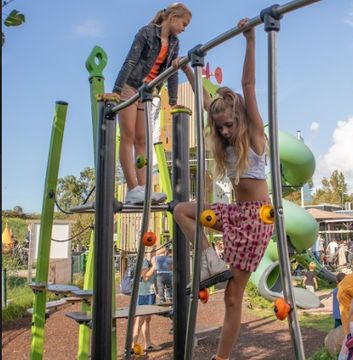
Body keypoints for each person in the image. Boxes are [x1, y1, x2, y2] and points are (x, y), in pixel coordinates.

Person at [173, 19, 274, 360]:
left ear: (241, 118)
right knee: (182, 210)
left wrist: (249, 38)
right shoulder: (225, 142)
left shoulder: (255, 136)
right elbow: (206, 101)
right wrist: (188, 69)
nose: (226, 130)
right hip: (234, 214)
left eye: (230, 123)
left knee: (233, 297)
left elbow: (248, 83)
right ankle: (209, 261)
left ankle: (221, 358)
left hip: (256, 220)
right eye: (221, 127)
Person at [112, 3, 192, 204]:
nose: (184, 28)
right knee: (128, 136)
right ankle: (132, 189)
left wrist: (173, 101)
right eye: (184, 23)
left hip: (147, 92)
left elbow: (171, 72)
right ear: (173, 17)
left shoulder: (174, 43)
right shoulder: (146, 32)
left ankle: (144, 190)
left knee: (142, 139)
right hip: (130, 86)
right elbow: (130, 61)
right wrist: (116, 91)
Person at [132, 250, 157, 351]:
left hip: (150, 293)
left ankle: (148, 343)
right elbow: (145, 277)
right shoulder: (144, 262)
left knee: (147, 319)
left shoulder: (151, 262)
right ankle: (132, 345)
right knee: (140, 319)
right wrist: (155, 266)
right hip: (143, 294)